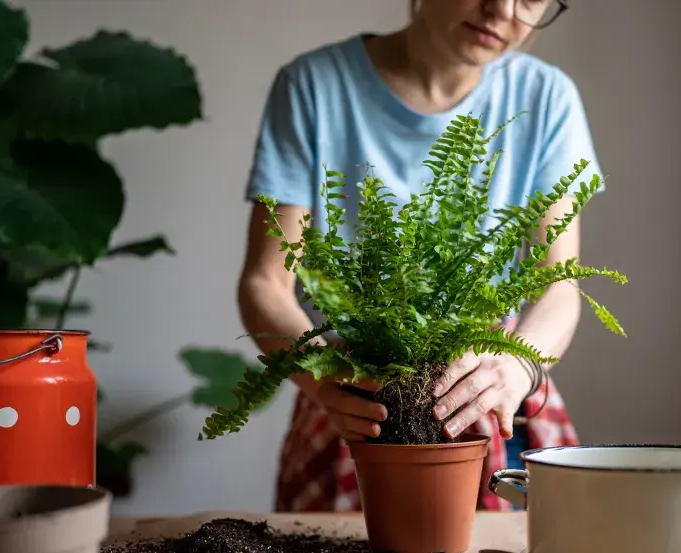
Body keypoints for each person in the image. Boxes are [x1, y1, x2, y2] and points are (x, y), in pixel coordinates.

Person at [240, 0, 603, 512]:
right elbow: (265, 282)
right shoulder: (315, 87)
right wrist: (326, 381)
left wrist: (519, 365)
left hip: (492, 392)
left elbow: (559, 285)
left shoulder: (546, 98)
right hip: (354, 393)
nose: (502, 9)